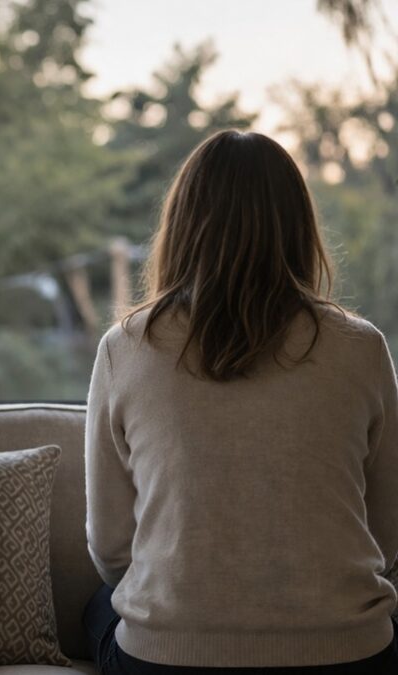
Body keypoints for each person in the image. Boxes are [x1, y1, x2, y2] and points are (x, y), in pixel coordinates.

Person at [83, 130, 398, 674]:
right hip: (347, 652)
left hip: (173, 659)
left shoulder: (125, 348)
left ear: (181, 225)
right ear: (299, 226)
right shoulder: (362, 347)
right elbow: (388, 537)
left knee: (96, 609)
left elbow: (111, 547)